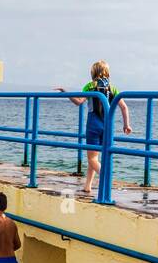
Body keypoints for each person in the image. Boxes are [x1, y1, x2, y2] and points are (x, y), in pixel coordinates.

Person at [57, 61, 133, 195]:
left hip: (93, 125)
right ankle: (87, 186)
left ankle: (107, 177)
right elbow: (124, 107)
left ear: (93, 72)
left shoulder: (90, 86)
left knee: (92, 158)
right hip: (108, 126)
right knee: (95, 157)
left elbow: (79, 102)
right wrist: (126, 125)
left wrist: (65, 92)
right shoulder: (112, 88)